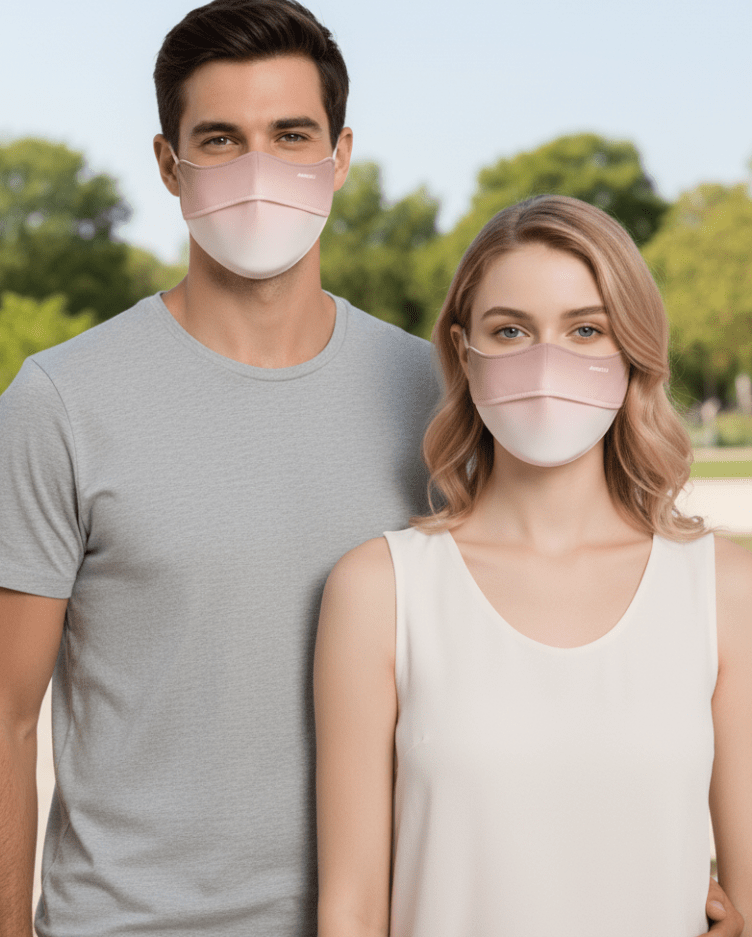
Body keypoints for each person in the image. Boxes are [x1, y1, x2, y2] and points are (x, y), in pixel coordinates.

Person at [0, 0, 439, 936]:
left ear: (339, 157)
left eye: (292, 134)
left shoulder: (437, 398)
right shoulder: (62, 402)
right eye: (219, 140)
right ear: (169, 166)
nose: (260, 168)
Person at [314, 195, 752, 937]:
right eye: (510, 330)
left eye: (586, 329)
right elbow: (352, 911)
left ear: (632, 351)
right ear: (462, 349)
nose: (547, 360)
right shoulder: (380, 589)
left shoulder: (723, 587)